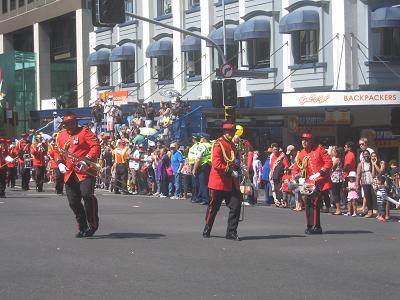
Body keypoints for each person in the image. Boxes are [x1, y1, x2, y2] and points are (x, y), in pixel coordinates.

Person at [54, 113, 101, 238]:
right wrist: (59, 163)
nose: (69, 126)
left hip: (86, 171)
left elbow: (95, 146)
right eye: (66, 124)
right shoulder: (61, 135)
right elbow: (56, 150)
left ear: (76, 122)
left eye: (71, 123)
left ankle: (93, 224)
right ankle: (82, 226)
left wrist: (86, 160)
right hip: (69, 172)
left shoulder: (85, 132)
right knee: (73, 202)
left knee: (87, 195)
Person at [203, 123, 242, 241]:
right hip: (219, 182)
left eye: (232, 132)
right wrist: (231, 171)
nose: (232, 134)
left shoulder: (232, 145)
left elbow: (234, 160)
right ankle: (207, 228)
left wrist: (238, 167)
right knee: (213, 208)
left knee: (236, 206)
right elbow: (216, 164)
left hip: (231, 182)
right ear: (225, 132)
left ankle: (231, 232)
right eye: (230, 132)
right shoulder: (218, 144)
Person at [292, 133, 333, 234]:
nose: (304, 142)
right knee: (307, 203)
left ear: (311, 141)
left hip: (320, 181)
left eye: (307, 140)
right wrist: (299, 179)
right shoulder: (301, 154)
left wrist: (320, 172)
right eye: (303, 140)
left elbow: (329, 162)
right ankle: (310, 225)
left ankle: (316, 226)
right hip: (308, 182)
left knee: (315, 202)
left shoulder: (319, 149)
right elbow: (295, 169)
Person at [269, 143, 290, 207]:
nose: (275, 150)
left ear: (278, 149)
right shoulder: (272, 156)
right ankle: (278, 201)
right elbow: (271, 166)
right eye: (273, 149)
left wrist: (285, 170)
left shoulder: (282, 155)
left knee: (280, 189)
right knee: (275, 189)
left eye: (276, 149)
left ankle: (282, 201)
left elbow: (286, 164)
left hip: (281, 175)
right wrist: (271, 174)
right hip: (274, 175)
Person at [356, 150, 374, 218]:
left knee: (374, 197)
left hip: (373, 181)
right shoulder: (361, 164)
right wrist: (357, 184)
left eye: (367, 154)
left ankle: (374, 211)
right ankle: (370, 211)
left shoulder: (372, 162)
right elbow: (358, 174)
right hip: (365, 181)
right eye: (364, 154)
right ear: (362, 155)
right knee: (367, 196)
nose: (366, 155)